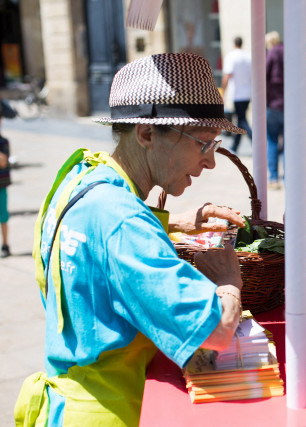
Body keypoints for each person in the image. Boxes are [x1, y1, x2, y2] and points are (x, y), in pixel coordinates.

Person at [15, 53, 248, 425]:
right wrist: (228, 282)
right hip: (111, 411)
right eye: (203, 144)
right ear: (146, 133)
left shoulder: (81, 176)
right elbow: (217, 331)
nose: (211, 162)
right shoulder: (121, 220)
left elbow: (102, 242)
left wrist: (173, 224)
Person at [265, 31, 306, 189]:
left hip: (273, 104)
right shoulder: (299, 54)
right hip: (293, 107)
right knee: (290, 144)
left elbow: (263, 77)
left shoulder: (273, 52)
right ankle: (288, 178)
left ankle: (273, 177)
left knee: (272, 141)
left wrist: (264, 102)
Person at [222, 36, 252, 153]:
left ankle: (255, 140)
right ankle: (235, 146)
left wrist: (222, 91)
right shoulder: (248, 56)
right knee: (240, 120)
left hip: (237, 94)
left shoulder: (231, 56)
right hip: (248, 93)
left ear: (234, 43)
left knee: (242, 119)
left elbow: (227, 75)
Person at [0, 109, 11, 257]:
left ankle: (5, 244)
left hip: (1, 186)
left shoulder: (4, 142)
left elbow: (3, 162)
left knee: (3, 216)